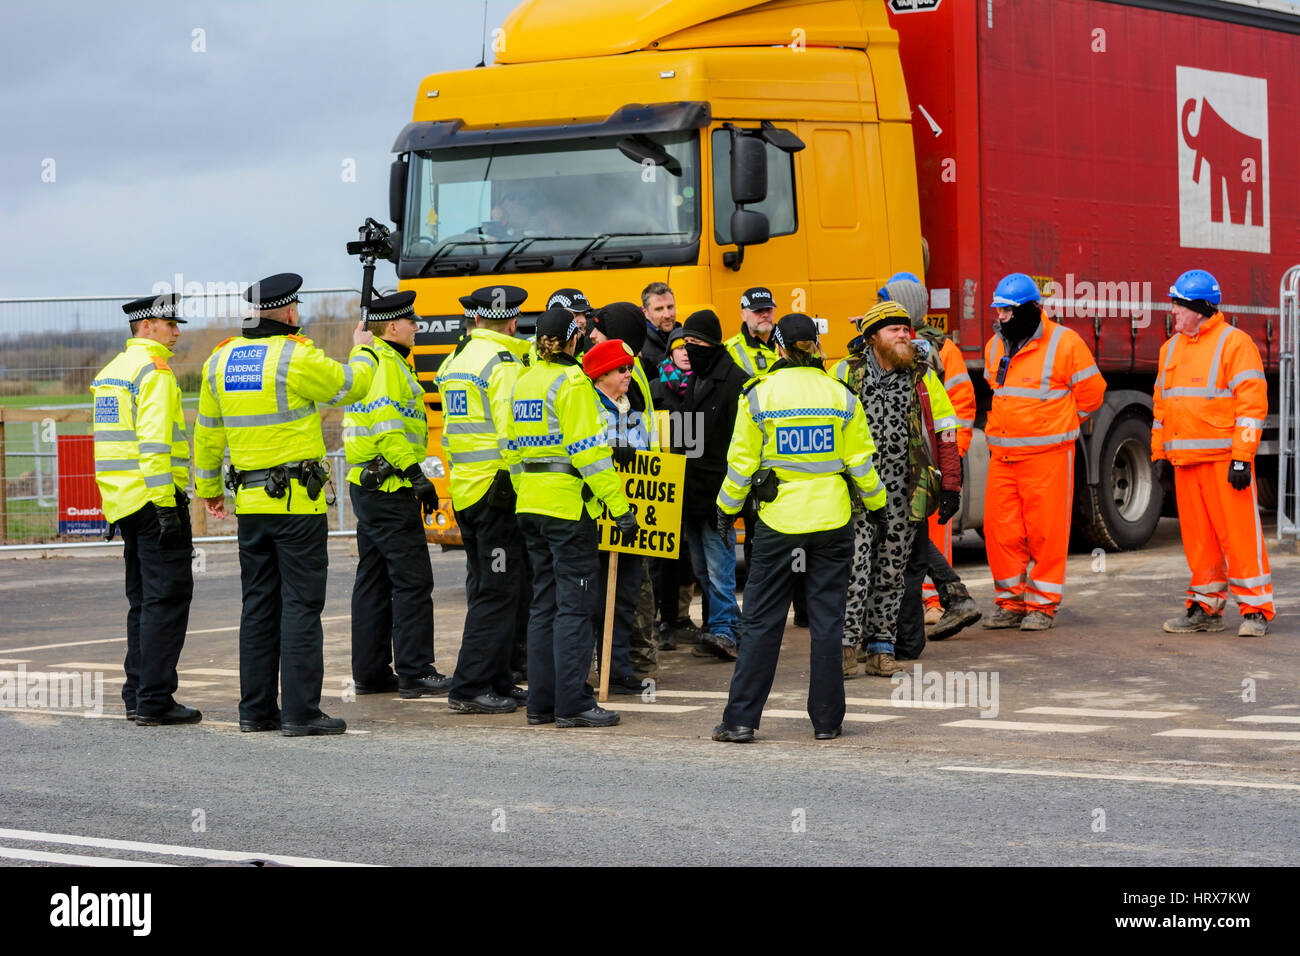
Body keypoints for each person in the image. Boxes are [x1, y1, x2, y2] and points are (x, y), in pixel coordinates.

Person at [194, 273, 378, 736]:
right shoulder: (296, 355)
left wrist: (209, 488)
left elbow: (207, 433)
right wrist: (366, 349)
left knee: (257, 605)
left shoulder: (219, 360)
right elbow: (351, 386)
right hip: (297, 505)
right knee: (300, 605)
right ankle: (301, 712)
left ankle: (255, 711)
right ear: (291, 312)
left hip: (251, 503)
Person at [712, 313, 886, 742]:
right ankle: (827, 722)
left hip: (779, 523)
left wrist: (725, 509)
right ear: (815, 346)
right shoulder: (840, 396)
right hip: (832, 522)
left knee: (761, 622)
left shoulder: (759, 395)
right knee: (828, 622)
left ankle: (740, 721)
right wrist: (879, 507)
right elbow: (861, 462)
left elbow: (741, 465)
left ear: (777, 348)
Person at [509, 306, 637, 728]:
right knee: (575, 607)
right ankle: (573, 703)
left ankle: (540, 704)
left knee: (543, 604)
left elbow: (509, 450)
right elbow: (590, 455)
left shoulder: (524, 381)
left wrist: (525, 492)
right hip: (568, 509)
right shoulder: (573, 383)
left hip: (530, 506)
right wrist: (621, 510)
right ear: (573, 340)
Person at [92, 292, 199, 726]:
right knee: (167, 598)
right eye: (170, 324)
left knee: (142, 600)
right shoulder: (154, 372)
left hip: (123, 504)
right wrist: (166, 507)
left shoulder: (111, 373)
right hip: (155, 501)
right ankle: (155, 699)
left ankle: (137, 693)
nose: (176, 333)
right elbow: (153, 446)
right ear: (147, 326)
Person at [839, 301, 962, 677]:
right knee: (854, 571)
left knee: (891, 574)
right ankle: (845, 648)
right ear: (873, 336)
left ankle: (880, 650)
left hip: (904, 495)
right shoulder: (845, 372)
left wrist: (951, 484)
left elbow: (945, 429)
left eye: (906, 329)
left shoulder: (922, 375)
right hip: (857, 495)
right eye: (894, 329)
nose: (904, 335)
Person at [981, 272, 1106, 630]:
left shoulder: (1065, 343)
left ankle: (1042, 605)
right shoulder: (995, 346)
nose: (1001, 318)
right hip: (1003, 457)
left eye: (1006, 311)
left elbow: (1092, 394)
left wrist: (1061, 423)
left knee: (1045, 532)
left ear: (1030, 310)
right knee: (1001, 530)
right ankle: (1010, 601)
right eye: (999, 311)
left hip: (1048, 457)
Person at [1155, 269, 1273, 636]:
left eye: (1179, 304)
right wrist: (1159, 454)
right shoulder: (1169, 348)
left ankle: (1255, 611)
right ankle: (1205, 607)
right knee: (1199, 543)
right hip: (1186, 464)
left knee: (1239, 538)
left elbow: (1252, 406)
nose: (1172, 310)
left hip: (1225, 463)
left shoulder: (1235, 344)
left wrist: (1242, 456)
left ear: (1200, 309)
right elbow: (1162, 407)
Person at [342, 290, 448, 700]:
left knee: (373, 578)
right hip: (388, 485)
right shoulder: (386, 364)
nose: (417, 328)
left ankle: (369, 672)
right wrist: (414, 473)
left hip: (369, 484)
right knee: (412, 580)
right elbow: (387, 426)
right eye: (412, 322)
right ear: (392, 327)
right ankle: (416, 670)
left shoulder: (376, 361)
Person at [437, 284, 533, 714]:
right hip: (499, 494)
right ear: (512, 320)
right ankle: (471, 687)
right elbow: (513, 433)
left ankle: (495, 679)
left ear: (476, 318)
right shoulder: (504, 363)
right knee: (497, 591)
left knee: (490, 587)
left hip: (467, 491)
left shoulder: (456, 358)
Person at [877, 276, 982, 640]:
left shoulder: (931, 350)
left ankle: (938, 602)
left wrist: (949, 464)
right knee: (916, 537)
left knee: (919, 537)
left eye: (884, 301)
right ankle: (948, 597)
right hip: (916, 467)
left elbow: (957, 410)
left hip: (924, 467)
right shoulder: (905, 347)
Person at [678, 309, 750, 660]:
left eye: (694, 342)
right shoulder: (697, 378)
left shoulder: (734, 381)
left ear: (711, 342)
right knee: (702, 568)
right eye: (685, 343)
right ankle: (722, 625)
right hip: (694, 492)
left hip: (719, 493)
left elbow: (740, 444)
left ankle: (724, 630)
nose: (689, 349)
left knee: (720, 567)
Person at [584, 338, 654, 694]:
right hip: (598, 516)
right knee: (594, 598)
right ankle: (585, 671)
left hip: (632, 518)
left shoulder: (631, 408)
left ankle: (618, 666)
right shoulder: (590, 408)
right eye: (621, 370)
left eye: (629, 368)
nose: (629, 374)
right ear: (600, 376)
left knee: (626, 594)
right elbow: (585, 454)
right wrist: (613, 449)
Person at [649, 327, 701, 651]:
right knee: (662, 557)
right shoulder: (656, 388)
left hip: (694, 481)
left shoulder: (703, 384)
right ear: (669, 353)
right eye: (677, 347)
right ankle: (664, 620)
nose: (683, 352)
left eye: (688, 347)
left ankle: (681, 618)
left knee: (689, 557)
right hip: (664, 481)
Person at [724, 286, 779, 380]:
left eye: (769, 309)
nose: (765, 315)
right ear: (743, 315)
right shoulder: (730, 349)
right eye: (758, 310)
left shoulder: (789, 342)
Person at [640, 282, 680, 380]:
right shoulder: (639, 344)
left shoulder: (684, 336)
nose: (667, 315)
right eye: (659, 309)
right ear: (645, 313)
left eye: (670, 307)